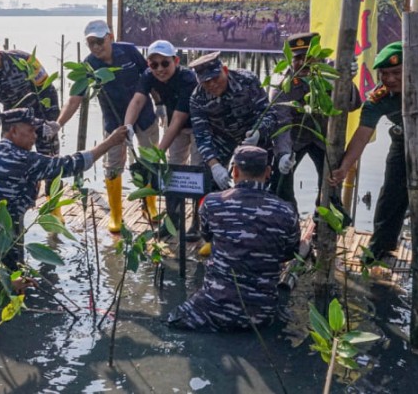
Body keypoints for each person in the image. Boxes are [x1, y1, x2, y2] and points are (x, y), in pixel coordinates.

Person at [0, 108, 128, 269]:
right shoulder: (25, 160)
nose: (35, 136)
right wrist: (110, 142)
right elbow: (72, 164)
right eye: (30, 131)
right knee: (11, 291)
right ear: (13, 131)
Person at [167, 146, 299, 331]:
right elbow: (289, 253)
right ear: (268, 172)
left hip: (213, 308)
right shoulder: (286, 211)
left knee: (173, 319)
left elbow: (207, 237)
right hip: (261, 314)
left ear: (234, 171)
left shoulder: (212, 202)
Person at [56, 20, 159, 232]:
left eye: (100, 41)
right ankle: (116, 215)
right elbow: (74, 99)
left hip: (144, 115)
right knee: (112, 165)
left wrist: (162, 105)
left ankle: (150, 206)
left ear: (110, 37)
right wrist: (58, 124)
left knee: (149, 160)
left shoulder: (129, 52)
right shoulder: (88, 65)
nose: (96, 47)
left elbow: (150, 79)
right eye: (91, 43)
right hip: (114, 121)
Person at [329, 41, 404, 260]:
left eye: (396, 73)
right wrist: (344, 167)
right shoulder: (378, 99)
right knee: (392, 193)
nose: (389, 79)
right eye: (384, 73)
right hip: (403, 141)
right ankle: (380, 246)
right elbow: (362, 134)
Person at [270, 32, 361, 211]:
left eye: (309, 58)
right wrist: (283, 155)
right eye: (298, 58)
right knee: (280, 184)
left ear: (319, 58)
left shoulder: (334, 72)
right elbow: (282, 123)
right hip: (295, 139)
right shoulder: (283, 84)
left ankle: (323, 227)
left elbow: (353, 105)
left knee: (331, 184)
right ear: (290, 60)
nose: (303, 63)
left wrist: (346, 82)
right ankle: (288, 223)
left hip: (325, 139)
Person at [124, 40, 201, 236]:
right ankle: (172, 223)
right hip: (176, 126)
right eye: (154, 64)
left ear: (176, 60)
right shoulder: (149, 75)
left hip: (199, 126)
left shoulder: (188, 78)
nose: (159, 69)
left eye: (165, 63)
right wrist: (128, 126)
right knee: (172, 171)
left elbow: (178, 119)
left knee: (199, 172)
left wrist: (159, 152)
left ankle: (198, 224)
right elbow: (138, 99)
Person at [188, 51, 291, 191]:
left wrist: (259, 132)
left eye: (216, 78)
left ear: (224, 70)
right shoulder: (197, 98)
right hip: (222, 140)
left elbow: (269, 115)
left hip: (253, 134)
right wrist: (215, 166)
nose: (212, 84)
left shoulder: (248, 81)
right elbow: (202, 136)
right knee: (210, 182)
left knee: (261, 182)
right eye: (206, 81)